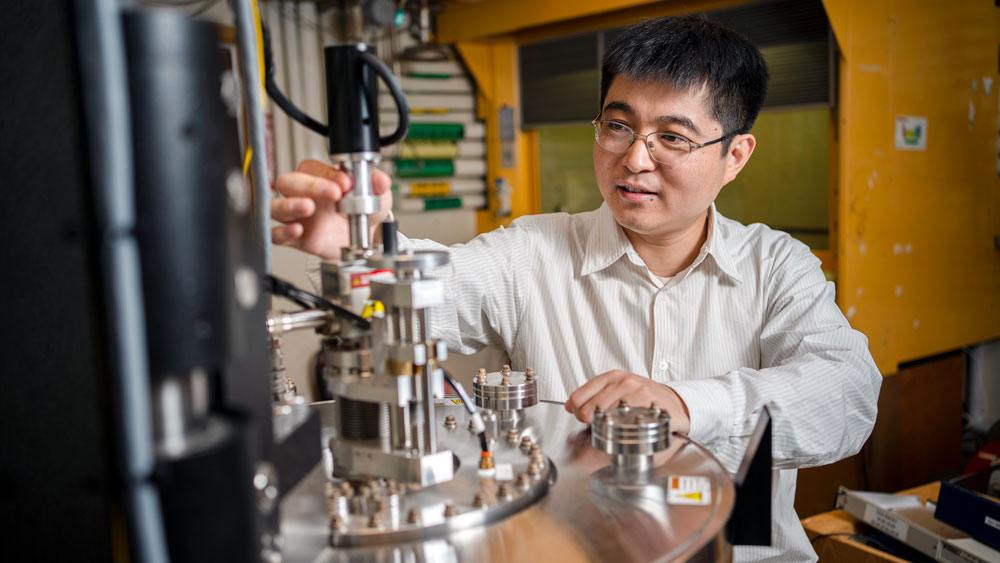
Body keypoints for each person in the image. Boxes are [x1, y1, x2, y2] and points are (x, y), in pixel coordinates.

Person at [270, 15, 881, 562]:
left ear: (735, 155)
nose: (635, 159)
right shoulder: (533, 252)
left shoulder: (777, 266)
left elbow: (847, 393)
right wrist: (361, 247)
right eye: (618, 125)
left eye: (672, 137)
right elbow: (436, 289)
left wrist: (689, 406)